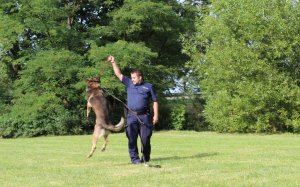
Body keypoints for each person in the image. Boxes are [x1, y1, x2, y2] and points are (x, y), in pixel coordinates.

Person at [107, 55, 159, 164]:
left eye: (134, 78)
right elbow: (119, 74)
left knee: (145, 139)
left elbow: (155, 101)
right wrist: (113, 62)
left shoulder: (149, 86)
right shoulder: (129, 83)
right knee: (131, 139)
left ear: (140, 77)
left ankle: (145, 157)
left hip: (145, 116)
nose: (132, 79)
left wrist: (156, 115)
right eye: (131, 77)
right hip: (131, 116)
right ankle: (135, 159)